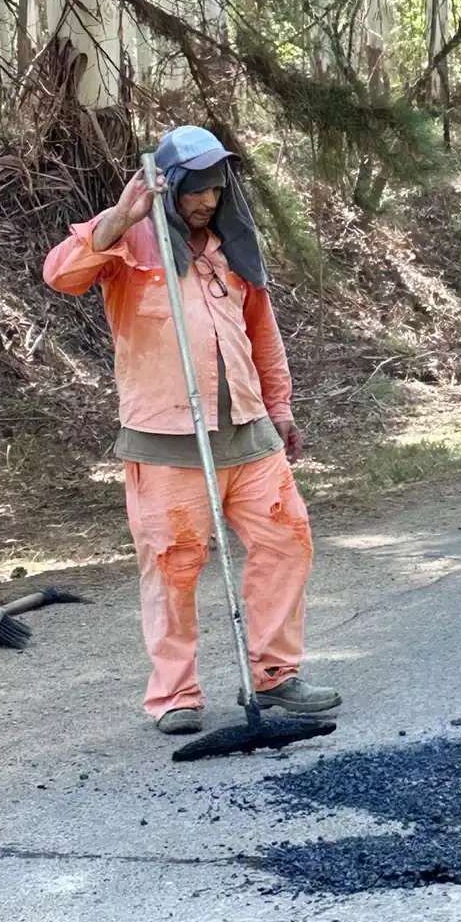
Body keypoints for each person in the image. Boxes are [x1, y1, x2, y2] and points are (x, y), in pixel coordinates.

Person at [44, 126, 341, 735]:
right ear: (171, 184)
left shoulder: (232, 248)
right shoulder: (131, 242)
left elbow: (263, 334)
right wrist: (122, 217)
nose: (206, 200)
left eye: (215, 187)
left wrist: (279, 408)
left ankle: (275, 675)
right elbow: (62, 274)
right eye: (195, 188)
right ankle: (176, 695)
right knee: (174, 565)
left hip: (248, 431)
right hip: (167, 441)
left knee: (287, 541)